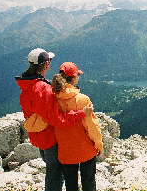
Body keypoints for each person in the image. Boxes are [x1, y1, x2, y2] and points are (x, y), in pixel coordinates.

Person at [15, 48, 93, 191]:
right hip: (50, 138)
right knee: (55, 175)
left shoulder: (27, 85)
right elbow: (55, 119)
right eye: (49, 60)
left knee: (53, 172)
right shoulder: (42, 88)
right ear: (46, 65)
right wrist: (81, 113)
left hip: (38, 136)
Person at [52, 62, 103, 191]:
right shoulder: (82, 99)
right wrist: (98, 143)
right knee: (89, 182)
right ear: (74, 77)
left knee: (70, 185)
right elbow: (92, 126)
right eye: (78, 75)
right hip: (85, 148)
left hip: (66, 150)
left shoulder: (53, 99)